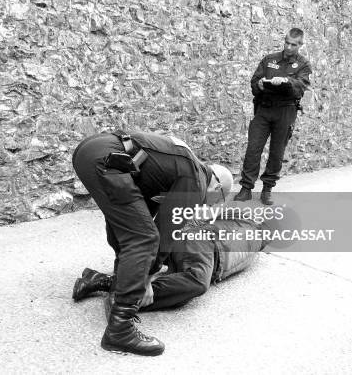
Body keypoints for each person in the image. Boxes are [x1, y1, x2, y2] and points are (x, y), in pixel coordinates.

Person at [71, 131, 233, 356]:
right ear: (217, 186)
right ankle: (120, 331)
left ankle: (116, 292)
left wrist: (133, 276)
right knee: (144, 239)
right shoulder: (196, 179)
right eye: (220, 199)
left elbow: (133, 227)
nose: (214, 205)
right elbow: (165, 235)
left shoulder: (170, 171)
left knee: (136, 234)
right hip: (108, 157)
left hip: (91, 151)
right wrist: (147, 279)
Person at [73, 201, 298, 315]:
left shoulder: (257, 244)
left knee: (189, 281)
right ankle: (125, 300)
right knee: (197, 282)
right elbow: (210, 211)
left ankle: (100, 280)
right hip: (202, 243)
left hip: (200, 252)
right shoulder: (249, 219)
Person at [234, 28, 312, 205]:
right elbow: (254, 81)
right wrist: (260, 84)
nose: (289, 47)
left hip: (285, 111)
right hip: (264, 109)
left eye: (293, 44)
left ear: (300, 45)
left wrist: (286, 81)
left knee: (277, 153)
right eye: (287, 42)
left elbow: (301, 86)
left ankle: (267, 189)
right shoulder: (269, 60)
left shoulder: (303, 65)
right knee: (253, 148)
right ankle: (246, 188)